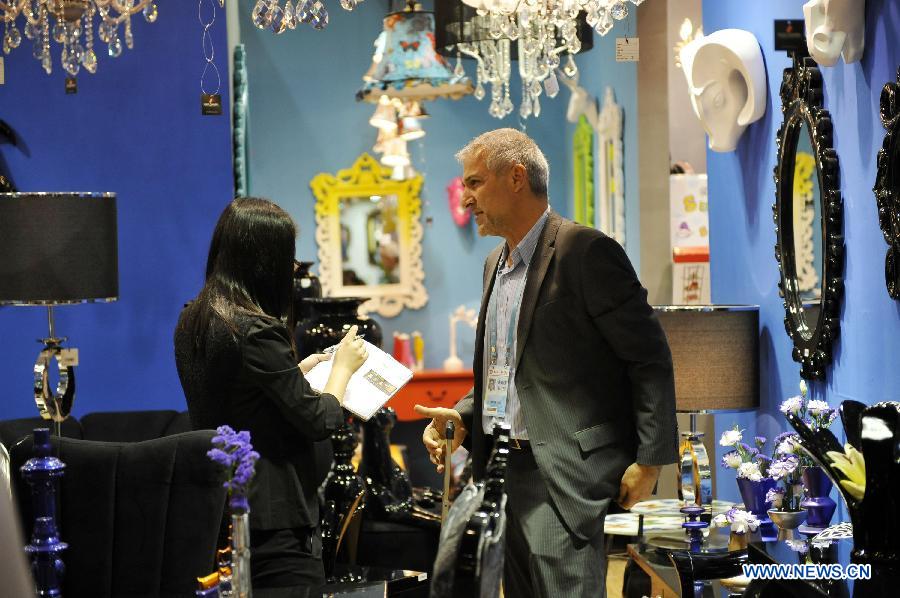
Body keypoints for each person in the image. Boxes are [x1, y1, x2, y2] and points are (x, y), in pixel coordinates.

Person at [415, 129, 678, 597]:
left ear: (516, 177)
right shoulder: (494, 262)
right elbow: (507, 373)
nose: (466, 197)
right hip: (501, 474)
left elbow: (649, 358)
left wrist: (651, 462)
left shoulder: (586, 252)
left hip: (562, 479)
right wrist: (461, 415)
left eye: (475, 183)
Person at [174, 197, 367, 592]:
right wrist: (343, 369)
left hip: (220, 508)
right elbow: (320, 420)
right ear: (265, 260)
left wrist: (295, 373)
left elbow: (237, 399)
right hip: (275, 517)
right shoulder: (257, 330)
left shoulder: (193, 318)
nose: (294, 268)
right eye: (288, 257)